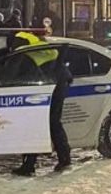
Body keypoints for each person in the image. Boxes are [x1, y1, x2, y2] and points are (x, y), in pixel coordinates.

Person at [11, 33, 72, 176]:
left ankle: (31, 164)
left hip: (47, 87)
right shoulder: (39, 47)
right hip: (57, 83)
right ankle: (63, 159)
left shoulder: (24, 54)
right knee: (51, 122)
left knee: (42, 124)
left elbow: (13, 74)